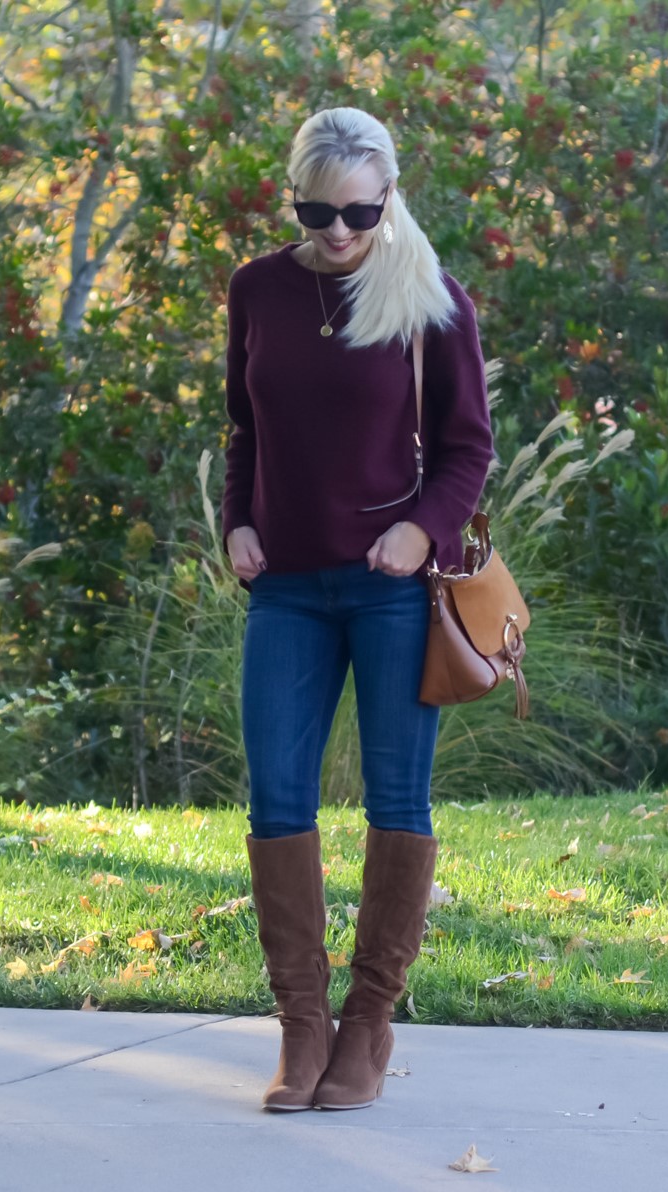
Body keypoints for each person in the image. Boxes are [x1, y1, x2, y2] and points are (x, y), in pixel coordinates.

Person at [221, 106, 493, 1112]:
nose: (337, 230)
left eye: (359, 211)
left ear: (389, 197)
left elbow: (468, 447)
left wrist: (422, 531)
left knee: (397, 801)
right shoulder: (257, 289)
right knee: (276, 798)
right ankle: (302, 1021)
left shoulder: (430, 299)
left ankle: (370, 1020)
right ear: (293, 196)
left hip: (389, 592)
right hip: (284, 588)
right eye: (316, 209)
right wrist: (235, 523)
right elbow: (242, 426)